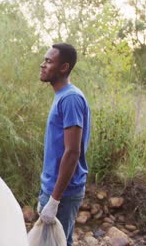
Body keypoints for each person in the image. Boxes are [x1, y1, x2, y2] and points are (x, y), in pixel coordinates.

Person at [37, 43, 91, 246]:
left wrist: (54, 200)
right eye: (44, 60)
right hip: (53, 189)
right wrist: (46, 193)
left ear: (63, 67)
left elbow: (72, 152)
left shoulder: (71, 99)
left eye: (49, 61)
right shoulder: (62, 96)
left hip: (64, 194)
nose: (42, 65)